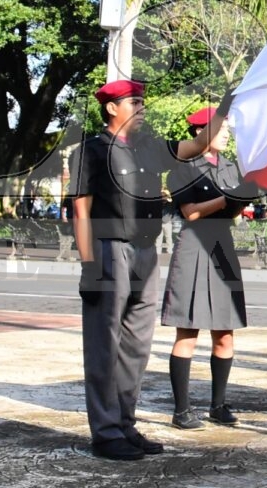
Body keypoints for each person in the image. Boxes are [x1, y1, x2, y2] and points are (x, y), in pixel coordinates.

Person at [70, 79, 222, 462]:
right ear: (111, 108)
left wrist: (225, 110)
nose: (141, 109)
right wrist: (88, 266)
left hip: (145, 251)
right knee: (104, 346)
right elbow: (81, 210)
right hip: (108, 250)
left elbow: (197, 146)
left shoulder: (148, 148)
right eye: (133, 103)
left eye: (142, 103)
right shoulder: (90, 150)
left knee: (136, 346)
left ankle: (125, 423)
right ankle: (105, 433)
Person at [160, 106, 258, 430]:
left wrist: (242, 198)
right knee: (187, 332)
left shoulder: (230, 167)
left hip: (222, 246)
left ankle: (218, 405)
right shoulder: (184, 167)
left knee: (225, 333)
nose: (227, 134)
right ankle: (182, 410)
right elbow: (190, 212)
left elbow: (232, 211)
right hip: (194, 246)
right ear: (201, 132)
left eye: (227, 128)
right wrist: (226, 200)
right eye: (221, 129)